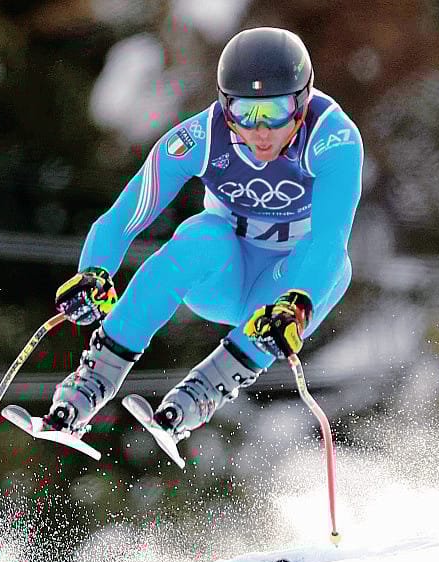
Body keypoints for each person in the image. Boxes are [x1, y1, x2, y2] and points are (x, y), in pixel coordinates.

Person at [45, 26, 363, 449]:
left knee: (336, 267)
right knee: (202, 234)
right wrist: (94, 272)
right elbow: (125, 215)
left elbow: (329, 240)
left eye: (277, 111)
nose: (261, 131)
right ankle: (90, 384)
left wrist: (298, 302)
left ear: (302, 101)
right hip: (223, 275)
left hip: (285, 284)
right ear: (225, 105)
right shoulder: (199, 137)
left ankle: (202, 394)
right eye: (247, 113)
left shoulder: (333, 138)